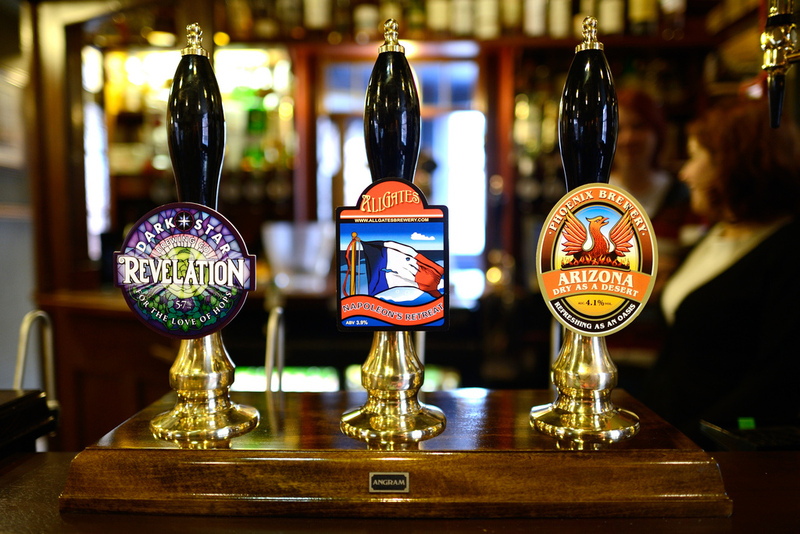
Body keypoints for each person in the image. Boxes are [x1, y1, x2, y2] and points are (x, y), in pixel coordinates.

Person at [641, 99, 800, 448]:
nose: (685, 173)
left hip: (713, 452)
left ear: (734, 163)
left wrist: (692, 436)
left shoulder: (788, 251)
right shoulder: (719, 232)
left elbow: (776, 377)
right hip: (667, 435)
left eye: (695, 157)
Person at [607, 88, 698, 386]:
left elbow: (690, 277)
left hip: (663, 361)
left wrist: (613, 277)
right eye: (620, 128)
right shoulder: (594, 197)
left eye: (639, 126)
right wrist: (653, 275)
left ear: (658, 133)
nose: (629, 138)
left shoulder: (682, 196)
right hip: (601, 358)